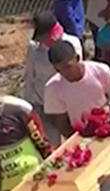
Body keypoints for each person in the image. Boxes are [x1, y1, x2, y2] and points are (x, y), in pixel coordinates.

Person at [23, 11, 83, 144]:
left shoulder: (72, 43)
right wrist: (28, 102)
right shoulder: (34, 49)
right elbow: (30, 75)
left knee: (74, 140)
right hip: (42, 102)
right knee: (51, 143)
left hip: (66, 104)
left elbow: (76, 74)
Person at [44, 39, 110, 138]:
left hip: (108, 128)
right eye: (59, 70)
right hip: (81, 136)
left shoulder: (101, 71)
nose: (65, 73)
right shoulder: (53, 87)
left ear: (77, 58)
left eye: (68, 67)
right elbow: (61, 122)